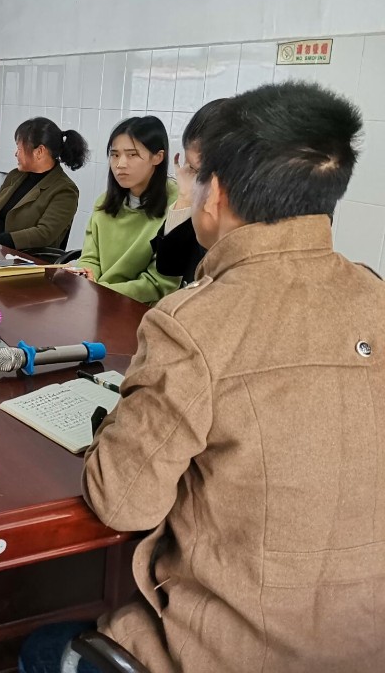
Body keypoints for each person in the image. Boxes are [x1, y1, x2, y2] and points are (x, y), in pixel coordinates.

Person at [20, 82, 385, 673]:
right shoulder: (375, 295)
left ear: (213, 192)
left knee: (40, 648)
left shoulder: (195, 323)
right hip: (366, 645)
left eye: (191, 173)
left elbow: (122, 501)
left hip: (232, 650)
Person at [74, 116, 180, 303]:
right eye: (115, 155)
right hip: (99, 299)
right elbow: (90, 258)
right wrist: (86, 277)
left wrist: (100, 291)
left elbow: (158, 284)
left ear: (157, 157)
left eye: (132, 155)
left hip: (142, 309)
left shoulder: (177, 208)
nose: (120, 164)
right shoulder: (104, 202)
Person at [0, 117, 84, 250]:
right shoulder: (15, 176)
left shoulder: (65, 190)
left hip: (23, 257)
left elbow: (44, 234)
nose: (16, 154)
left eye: (19, 148)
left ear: (39, 151)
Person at [150, 99, 227, 286]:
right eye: (192, 168)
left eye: (203, 173)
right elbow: (168, 266)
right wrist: (185, 198)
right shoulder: (197, 200)